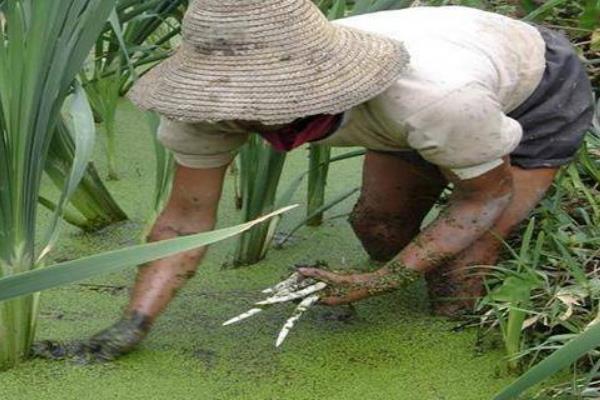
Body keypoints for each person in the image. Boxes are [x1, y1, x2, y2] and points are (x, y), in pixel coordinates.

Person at [34, 0, 594, 362]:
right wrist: (133, 325)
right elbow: (184, 220)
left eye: (276, 100)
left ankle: (459, 316)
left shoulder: (431, 99)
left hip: (530, 84)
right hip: (427, 110)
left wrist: (378, 283)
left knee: (460, 278)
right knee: (376, 226)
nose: (254, 119)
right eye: (241, 104)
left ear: (320, 81)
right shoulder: (205, 105)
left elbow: (486, 192)